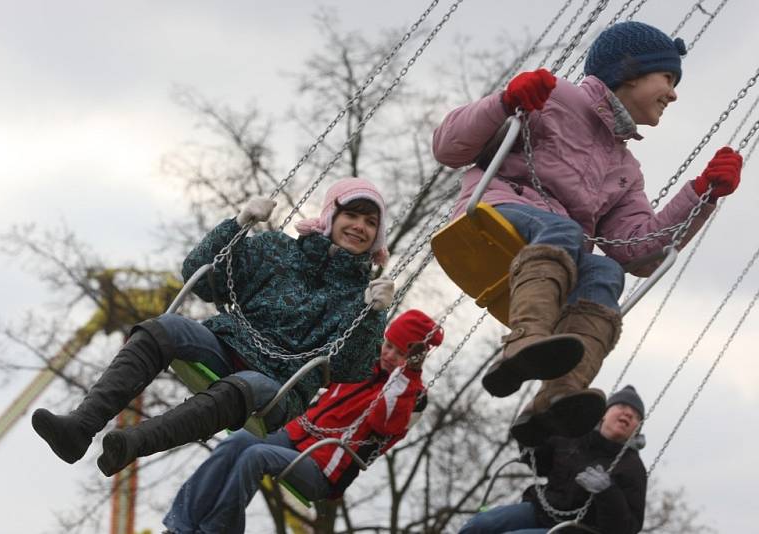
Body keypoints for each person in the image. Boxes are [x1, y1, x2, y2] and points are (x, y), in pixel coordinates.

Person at [431, 21, 743, 445]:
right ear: (629, 71)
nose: (673, 93)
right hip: (497, 215)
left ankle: (561, 393)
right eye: (668, 78)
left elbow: (636, 253)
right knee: (564, 232)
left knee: (605, 273)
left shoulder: (625, 170)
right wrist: (506, 103)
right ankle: (526, 340)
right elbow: (449, 147)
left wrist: (701, 196)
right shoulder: (555, 97)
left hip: (551, 256)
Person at [31, 177, 396, 477]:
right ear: (332, 215)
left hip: (279, 387)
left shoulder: (359, 300)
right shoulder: (276, 250)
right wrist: (236, 226)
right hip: (228, 343)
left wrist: (375, 314)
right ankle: (79, 428)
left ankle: (132, 444)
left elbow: (353, 368)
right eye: (354, 215)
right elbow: (200, 277)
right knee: (166, 327)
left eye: (370, 223)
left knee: (245, 386)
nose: (360, 227)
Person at [161, 309, 443, 534]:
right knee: (237, 441)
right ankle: (181, 525)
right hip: (296, 435)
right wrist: (372, 309)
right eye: (389, 346)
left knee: (255, 456)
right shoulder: (364, 363)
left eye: (401, 354)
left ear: (414, 359)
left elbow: (386, 424)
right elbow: (337, 348)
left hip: (325, 468)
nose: (390, 356)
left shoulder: (412, 395)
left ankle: (216, 530)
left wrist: (408, 375)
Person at [459, 385, 647, 534]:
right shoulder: (576, 435)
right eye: (622, 407)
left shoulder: (632, 468)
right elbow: (540, 463)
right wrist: (529, 435)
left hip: (577, 530)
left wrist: (607, 492)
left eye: (636, 415)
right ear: (604, 414)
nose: (629, 414)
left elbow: (626, 528)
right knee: (479, 526)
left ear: (636, 429)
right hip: (543, 511)